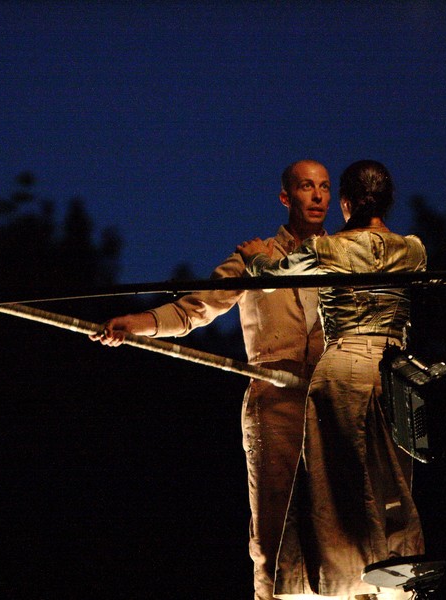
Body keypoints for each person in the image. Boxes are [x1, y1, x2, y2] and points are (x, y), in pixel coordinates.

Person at [90, 159, 331, 600]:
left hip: (331, 402)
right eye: (305, 186)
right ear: (285, 197)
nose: (316, 196)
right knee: (273, 535)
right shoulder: (254, 257)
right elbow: (193, 309)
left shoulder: (343, 257)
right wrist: (136, 323)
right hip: (275, 401)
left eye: (324, 187)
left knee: (340, 532)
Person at [237, 160, 427, 599]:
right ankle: (395, 584)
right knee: (389, 485)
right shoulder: (414, 250)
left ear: (344, 202)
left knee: (338, 491)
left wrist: (254, 258)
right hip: (395, 374)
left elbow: (271, 278)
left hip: (342, 371)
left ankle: (348, 583)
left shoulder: (329, 252)